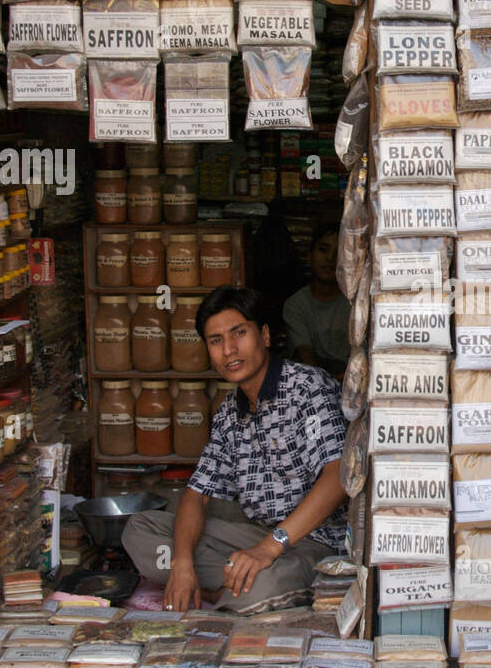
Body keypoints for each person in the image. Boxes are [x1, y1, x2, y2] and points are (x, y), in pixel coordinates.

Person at [122, 286, 349, 614]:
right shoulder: (230, 412)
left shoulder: (308, 388)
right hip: (255, 540)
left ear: (265, 335)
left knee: (264, 582)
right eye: (216, 341)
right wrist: (182, 564)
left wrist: (270, 549)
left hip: (311, 544)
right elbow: (197, 494)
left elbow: (338, 475)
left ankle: (233, 591)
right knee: (140, 530)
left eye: (238, 333)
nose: (229, 350)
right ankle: (227, 585)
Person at [283, 223, 350, 376]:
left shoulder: (355, 302)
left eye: (338, 252)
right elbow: (305, 354)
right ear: (309, 256)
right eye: (323, 250)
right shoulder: (295, 305)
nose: (330, 258)